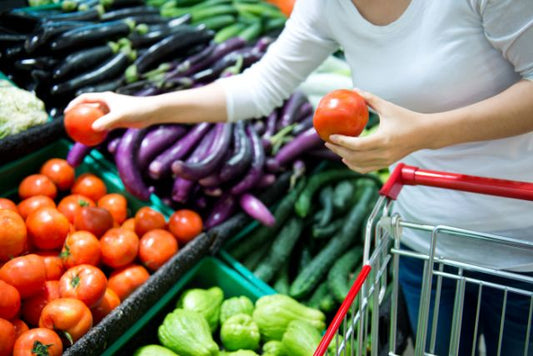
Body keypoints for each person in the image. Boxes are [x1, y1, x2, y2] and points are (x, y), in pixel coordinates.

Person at [66, 0, 533, 354]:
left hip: (518, 242)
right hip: (423, 237)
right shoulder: (328, 5)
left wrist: (424, 134)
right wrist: (139, 109)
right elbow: (259, 87)